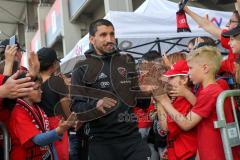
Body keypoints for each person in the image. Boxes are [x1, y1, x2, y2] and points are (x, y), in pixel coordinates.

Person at [71, 19, 151, 160]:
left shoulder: (127, 60)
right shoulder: (82, 67)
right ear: (92, 39)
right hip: (102, 143)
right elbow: (76, 107)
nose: (109, 39)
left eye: (112, 34)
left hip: (132, 140)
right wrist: (95, 105)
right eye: (103, 35)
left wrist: (145, 92)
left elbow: (140, 103)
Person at [154, 46, 240, 160]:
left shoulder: (210, 92)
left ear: (205, 68)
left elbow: (186, 124)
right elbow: (204, 126)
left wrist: (164, 102)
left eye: (191, 68)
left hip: (216, 154)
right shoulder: (208, 91)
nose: (188, 73)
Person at [8, 73, 77, 160]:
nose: (41, 91)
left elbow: (49, 144)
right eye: (37, 88)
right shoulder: (18, 113)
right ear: (24, 91)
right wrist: (59, 130)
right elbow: (38, 140)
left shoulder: (37, 108)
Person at [156, 60, 197, 160]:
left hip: (188, 154)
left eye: (172, 77)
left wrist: (161, 102)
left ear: (184, 80)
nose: (168, 81)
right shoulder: (180, 98)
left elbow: (165, 127)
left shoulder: (185, 100)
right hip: (178, 152)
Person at [183, 6, 239, 75]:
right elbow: (207, 25)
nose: (228, 24)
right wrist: (188, 11)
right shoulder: (230, 40)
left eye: (231, 21)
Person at [37, 47, 72, 160]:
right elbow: (66, 106)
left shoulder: (34, 83)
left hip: (41, 126)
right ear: (53, 64)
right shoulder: (57, 81)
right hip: (58, 124)